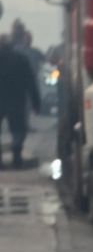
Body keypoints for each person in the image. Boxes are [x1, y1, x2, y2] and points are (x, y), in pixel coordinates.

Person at [0, 34, 41, 170]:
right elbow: (30, 82)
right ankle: (16, 156)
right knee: (18, 130)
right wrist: (36, 102)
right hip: (16, 100)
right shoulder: (21, 59)